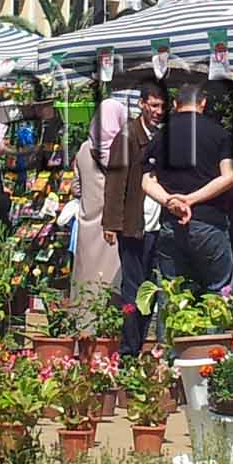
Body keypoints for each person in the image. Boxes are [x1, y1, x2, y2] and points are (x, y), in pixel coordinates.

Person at [144, 76, 233, 297]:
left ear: (176, 105)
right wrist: (191, 200)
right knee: (217, 293)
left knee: (171, 293)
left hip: (170, 222)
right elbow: (230, 177)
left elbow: (147, 181)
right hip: (209, 223)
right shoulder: (220, 134)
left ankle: (169, 333)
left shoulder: (159, 136)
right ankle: (215, 332)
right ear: (202, 103)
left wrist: (171, 201)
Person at [98, 81, 165, 355]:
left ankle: (137, 345)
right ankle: (128, 350)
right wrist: (111, 224)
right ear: (142, 104)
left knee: (149, 290)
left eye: (163, 106)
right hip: (134, 225)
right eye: (154, 105)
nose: (159, 111)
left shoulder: (158, 136)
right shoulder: (127, 137)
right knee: (133, 289)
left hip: (156, 223)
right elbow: (115, 183)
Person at [69, 98, 127, 310]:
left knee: (86, 282)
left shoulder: (84, 149)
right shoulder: (123, 151)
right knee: (111, 282)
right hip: (113, 227)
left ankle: (83, 331)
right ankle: (109, 334)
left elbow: (76, 189)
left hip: (87, 228)